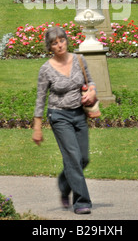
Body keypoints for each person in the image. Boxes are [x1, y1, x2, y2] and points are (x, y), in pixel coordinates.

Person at [33, 26, 97, 215]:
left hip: (79, 114)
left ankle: (64, 183)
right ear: (50, 47)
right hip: (59, 116)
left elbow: (91, 82)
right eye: (54, 43)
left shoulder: (79, 59)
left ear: (66, 41)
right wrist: (37, 127)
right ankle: (81, 202)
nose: (59, 45)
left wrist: (91, 92)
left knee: (82, 158)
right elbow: (40, 99)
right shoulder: (46, 69)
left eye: (62, 41)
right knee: (72, 157)